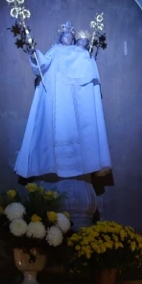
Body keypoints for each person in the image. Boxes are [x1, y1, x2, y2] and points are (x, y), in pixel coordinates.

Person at [14, 21, 112, 180]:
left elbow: (86, 70)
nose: (68, 38)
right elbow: (42, 65)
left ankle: (82, 163)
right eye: (65, 36)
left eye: (71, 36)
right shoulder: (54, 51)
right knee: (53, 127)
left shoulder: (77, 52)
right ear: (60, 37)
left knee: (74, 127)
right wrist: (34, 54)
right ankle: (50, 163)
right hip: (54, 96)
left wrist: (86, 56)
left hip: (73, 99)